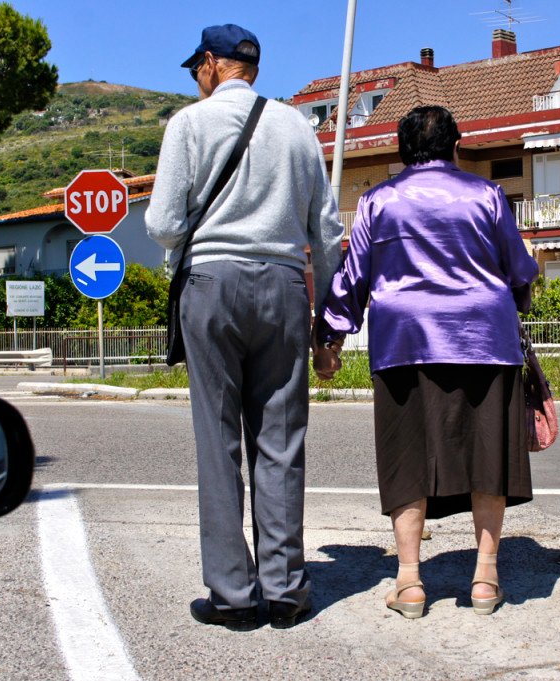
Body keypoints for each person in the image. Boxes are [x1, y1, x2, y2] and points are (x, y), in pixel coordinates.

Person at [145, 23, 343, 631]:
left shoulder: (188, 124)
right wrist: (325, 320)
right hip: (284, 287)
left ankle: (232, 596)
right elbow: (326, 232)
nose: (195, 79)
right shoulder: (297, 128)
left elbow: (161, 222)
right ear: (251, 68)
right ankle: (285, 590)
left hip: (212, 286)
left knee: (218, 440)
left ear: (210, 64)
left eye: (195, 70)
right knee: (280, 438)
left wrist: (198, 241)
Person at [314, 106, 539, 619]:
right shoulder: (487, 195)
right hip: (484, 337)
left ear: (401, 150)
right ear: (456, 146)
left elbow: (353, 278)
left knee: (407, 459)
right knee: (489, 455)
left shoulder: (377, 201)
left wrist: (330, 337)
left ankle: (410, 582)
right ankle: (485, 579)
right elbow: (519, 268)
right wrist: (517, 293)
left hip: (404, 341)